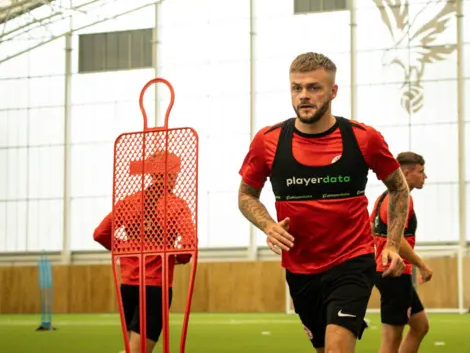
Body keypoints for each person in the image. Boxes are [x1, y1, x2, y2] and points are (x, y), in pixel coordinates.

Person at [237, 52, 410, 353]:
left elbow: (399, 188)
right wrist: (267, 225)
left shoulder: (363, 138)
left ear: (333, 91)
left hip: (352, 262)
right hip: (300, 268)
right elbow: (246, 195)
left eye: (314, 88)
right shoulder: (268, 140)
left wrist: (392, 244)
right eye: (296, 88)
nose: (304, 95)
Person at [94, 151, 195, 353]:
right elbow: (189, 243)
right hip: (155, 287)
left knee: (134, 348)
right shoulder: (177, 205)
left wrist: (127, 248)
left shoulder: (129, 202)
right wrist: (176, 258)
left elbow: (100, 234)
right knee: (138, 351)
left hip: (128, 286)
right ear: (174, 174)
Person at [370, 151, 433, 353]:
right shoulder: (401, 199)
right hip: (394, 273)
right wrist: (421, 265)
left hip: (387, 271)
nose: (425, 176)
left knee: (420, 325)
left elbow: (371, 229)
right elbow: (397, 241)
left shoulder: (382, 198)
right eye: (421, 171)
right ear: (405, 174)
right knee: (391, 338)